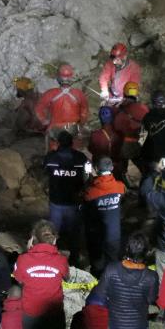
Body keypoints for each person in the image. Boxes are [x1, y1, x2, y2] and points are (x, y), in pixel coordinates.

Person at [12, 220, 70, 329]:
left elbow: (19, 280)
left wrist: (28, 251)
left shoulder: (23, 259)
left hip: (30, 311)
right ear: (54, 239)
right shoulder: (61, 260)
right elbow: (67, 277)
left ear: (33, 239)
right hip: (54, 312)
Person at [42, 130, 88, 262]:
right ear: (72, 143)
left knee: (53, 232)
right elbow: (89, 175)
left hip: (56, 202)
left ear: (58, 143)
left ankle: (51, 259)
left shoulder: (51, 158)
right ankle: (74, 258)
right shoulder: (81, 158)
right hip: (74, 203)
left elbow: (44, 172)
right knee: (74, 232)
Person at [83, 157, 126, 274]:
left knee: (97, 262)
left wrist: (88, 180)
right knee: (113, 260)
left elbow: (85, 205)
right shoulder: (120, 187)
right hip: (114, 233)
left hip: (97, 234)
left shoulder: (91, 191)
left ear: (96, 169)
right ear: (112, 168)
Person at [35, 64, 88, 147]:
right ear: (72, 77)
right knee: (73, 151)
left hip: (55, 129)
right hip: (73, 128)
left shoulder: (50, 93)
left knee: (54, 152)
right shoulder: (78, 94)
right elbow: (84, 112)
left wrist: (44, 121)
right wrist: (81, 124)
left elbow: (39, 109)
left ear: (59, 78)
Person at [111, 82, 148, 180]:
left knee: (121, 166)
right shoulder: (143, 108)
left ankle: (123, 185)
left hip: (125, 143)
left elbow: (116, 126)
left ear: (124, 92)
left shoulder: (120, 110)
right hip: (141, 142)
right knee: (144, 167)